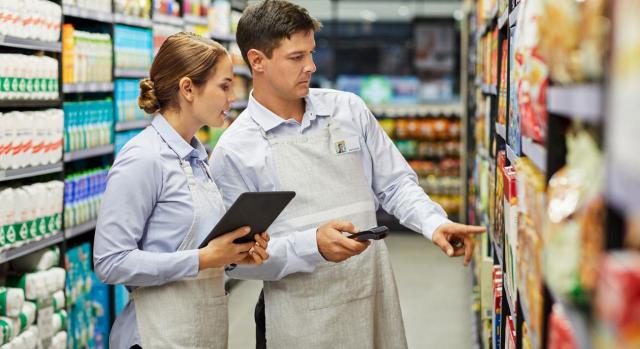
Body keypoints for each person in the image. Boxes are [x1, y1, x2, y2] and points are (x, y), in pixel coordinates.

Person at [211, 1, 487, 348]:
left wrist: (433, 223)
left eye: (311, 53)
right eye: (296, 57)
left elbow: (396, 184)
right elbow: (236, 261)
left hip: (371, 296)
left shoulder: (347, 110)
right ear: (257, 61)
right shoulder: (235, 150)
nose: (311, 66)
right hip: (301, 319)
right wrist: (312, 246)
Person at [93, 32, 270, 349]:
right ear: (188, 88)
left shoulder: (198, 158)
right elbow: (110, 261)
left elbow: (194, 245)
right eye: (224, 86)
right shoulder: (143, 158)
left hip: (201, 332)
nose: (232, 98)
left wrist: (233, 252)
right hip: (153, 336)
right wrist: (201, 259)